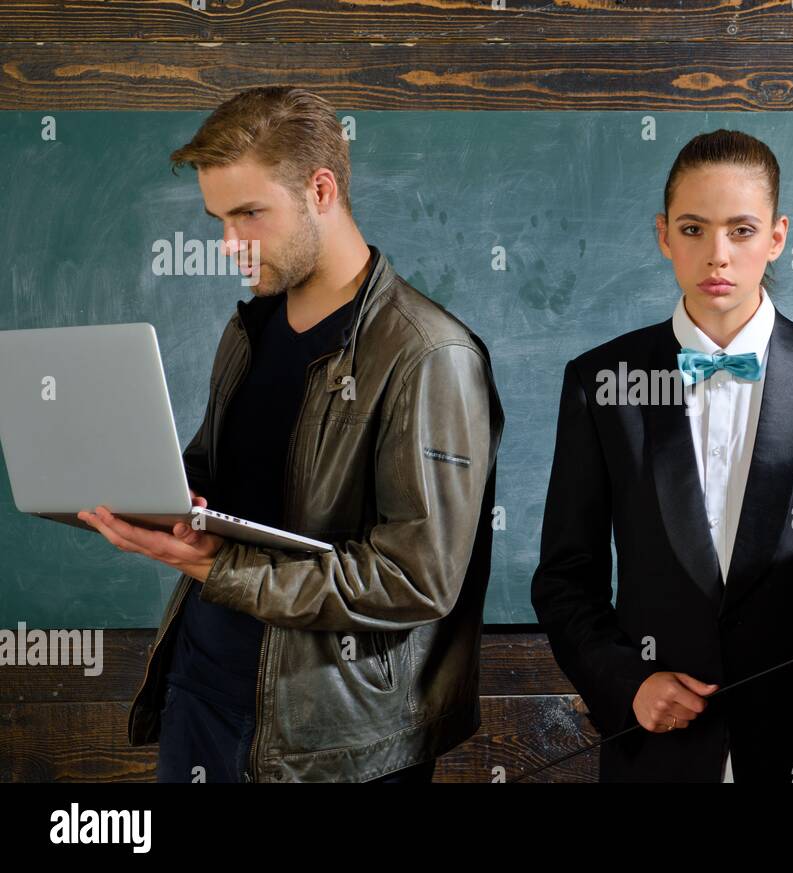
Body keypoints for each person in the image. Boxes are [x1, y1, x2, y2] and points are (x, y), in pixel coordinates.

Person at [79, 86, 504, 782]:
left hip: (334, 738)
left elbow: (414, 581)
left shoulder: (432, 355)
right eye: (219, 219)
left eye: (249, 214)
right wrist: (162, 496)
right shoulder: (251, 327)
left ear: (321, 189)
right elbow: (227, 477)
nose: (229, 244)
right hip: (201, 691)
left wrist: (217, 569)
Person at [532, 129, 793, 782]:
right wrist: (629, 682)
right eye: (693, 228)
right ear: (662, 236)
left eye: (741, 230)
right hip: (659, 754)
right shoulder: (601, 382)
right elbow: (566, 576)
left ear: (777, 236)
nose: (717, 255)